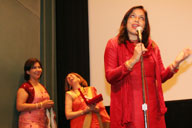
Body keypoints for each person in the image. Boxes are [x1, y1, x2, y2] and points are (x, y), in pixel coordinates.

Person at [104, 5, 191, 128]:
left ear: (145, 25)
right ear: (125, 21)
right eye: (132, 16)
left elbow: (160, 76)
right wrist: (133, 60)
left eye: (141, 18)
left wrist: (176, 64)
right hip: (129, 109)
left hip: (152, 107)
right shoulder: (114, 44)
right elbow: (110, 76)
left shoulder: (152, 46)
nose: (137, 20)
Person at [16, 58, 56, 128]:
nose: (38, 70)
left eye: (39, 67)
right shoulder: (25, 87)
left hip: (42, 123)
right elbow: (19, 106)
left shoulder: (42, 87)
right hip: (29, 123)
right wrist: (41, 105)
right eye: (34, 68)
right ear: (28, 71)